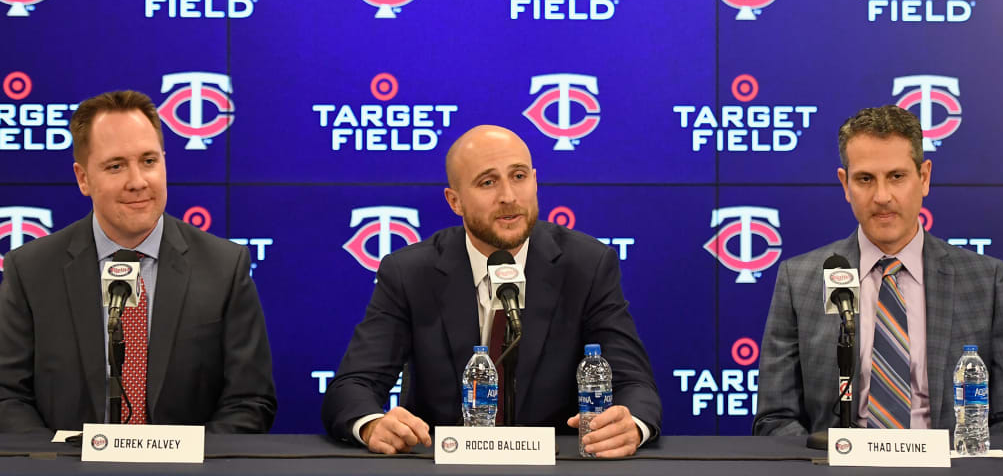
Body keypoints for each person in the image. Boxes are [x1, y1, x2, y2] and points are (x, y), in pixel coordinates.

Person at [322, 125, 660, 457]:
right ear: (454, 201)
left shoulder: (587, 265)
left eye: (519, 176)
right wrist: (371, 424)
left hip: (557, 465)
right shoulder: (410, 272)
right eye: (487, 182)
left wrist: (632, 425)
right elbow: (352, 386)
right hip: (445, 467)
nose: (509, 197)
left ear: (535, 180)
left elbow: (634, 384)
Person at [0, 90, 276, 433]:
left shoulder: (225, 266)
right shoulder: (30, 271)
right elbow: (8, 396)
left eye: (149, 161)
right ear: (83, 178)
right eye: (116, 166)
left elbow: (249, 401)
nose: (137, 182)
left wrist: (189, 464)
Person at [754, 105, 1003, 436]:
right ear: (845, 184)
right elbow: (775, 420)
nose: (882, 196)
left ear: (924, 177)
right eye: (865, 179)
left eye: (897, 177)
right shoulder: (800, 280)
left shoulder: (985, 280)